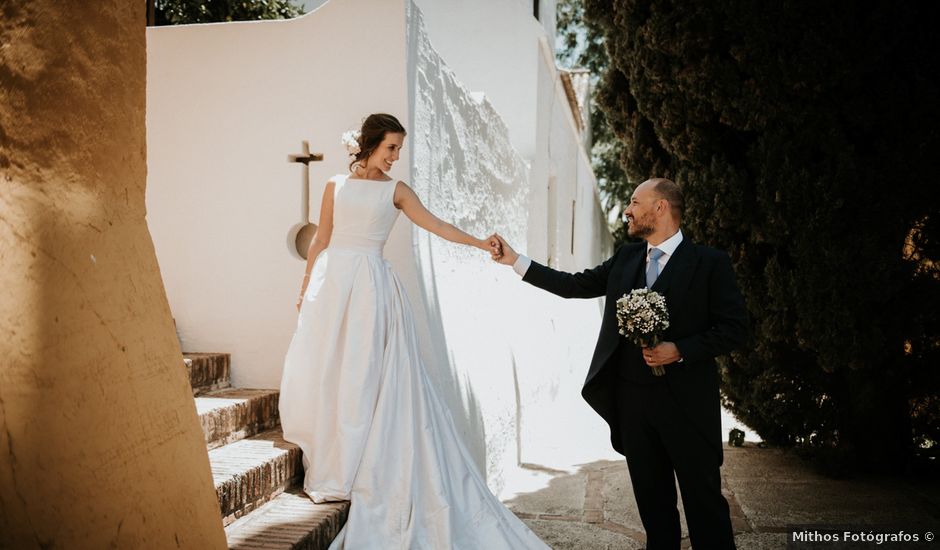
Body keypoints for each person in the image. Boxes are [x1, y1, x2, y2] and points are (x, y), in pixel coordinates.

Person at [278, 113, 548, 549]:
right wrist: (307, 282)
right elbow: (322, 238)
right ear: (368, 145)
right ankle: (332, 456)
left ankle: (357, 462)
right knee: (332, 367)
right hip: (334, 285)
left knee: (365, 374)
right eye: (390, 148)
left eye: (399, 149)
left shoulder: (397, 192)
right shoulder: (335, 185)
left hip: (372, 290)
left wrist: (481, 244)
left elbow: (436, 225)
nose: (396, 157)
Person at [491, 178, 748, 550]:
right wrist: (516, 261)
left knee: (704, 506)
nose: (628, 210)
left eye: (634, 201)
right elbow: (573, 285)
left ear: (660, 208)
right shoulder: (627, 258)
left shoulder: (710, 263)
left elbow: (735, 329)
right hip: (633, 405)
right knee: (654, 509)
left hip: (687, 406)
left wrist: (680, 349)